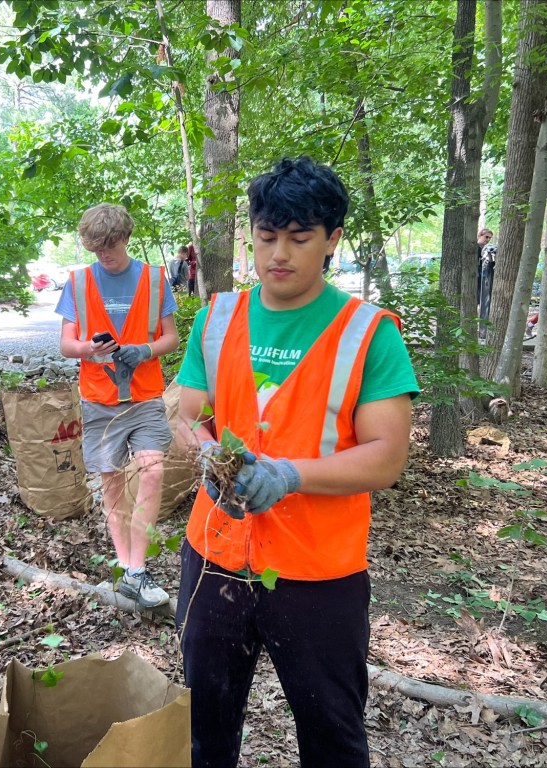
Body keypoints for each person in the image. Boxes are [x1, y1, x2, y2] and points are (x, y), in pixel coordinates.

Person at [173, 156, 419, 767]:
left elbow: (387, 456)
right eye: (266, 236)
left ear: (333, 240)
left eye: (300, 238)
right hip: (215, 556)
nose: (279, 254)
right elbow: (185, 413)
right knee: (202, 730)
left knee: (332, 736)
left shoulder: (367, 332)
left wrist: (289, 475)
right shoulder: (216, 318)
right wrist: (204, 451)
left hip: (318, 571)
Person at [55, 203, 181, 608]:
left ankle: (137, 569)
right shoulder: (77, 282)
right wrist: (88, 350)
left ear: (125, 238)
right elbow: (66, 344)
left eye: (109, 246)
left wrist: (144, 349)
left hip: (144, 398)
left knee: (152, 471)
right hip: (99, 400)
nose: (103, 255)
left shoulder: (155, 279)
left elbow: (171, 338)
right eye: (96, 249)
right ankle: (128, 567)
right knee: (110, 481)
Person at [477, 228, 495, 322]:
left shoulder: (487, 249)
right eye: (486, 237)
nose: (488, 239)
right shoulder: (475, 247)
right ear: (480, 235)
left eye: (489, 238)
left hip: (484, 278)